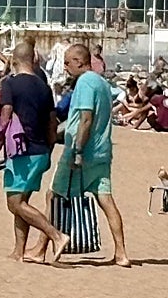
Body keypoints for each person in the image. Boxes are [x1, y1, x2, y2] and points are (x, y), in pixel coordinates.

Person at [47, 44, 130, 267]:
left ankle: (45, 247)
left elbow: (86, 119)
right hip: (103, 152)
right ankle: (121, 253)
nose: (64, 66)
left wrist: (78, 152)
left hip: (83, 152)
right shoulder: (102, 82)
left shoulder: (84, 82)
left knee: (53, 195)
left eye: (67, 62)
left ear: (79, 61)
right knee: (106, 199)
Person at [0, 42, 70, 263]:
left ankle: (57, 236)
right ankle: (19, 251)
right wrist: (49, 149)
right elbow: (52, 123)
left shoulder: (10, 84)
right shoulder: (44, 87)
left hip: (22, 151)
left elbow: (5, 117)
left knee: (14, 203)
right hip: (40, 150)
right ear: (33, 61)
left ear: (14, 62)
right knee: (22, 200)